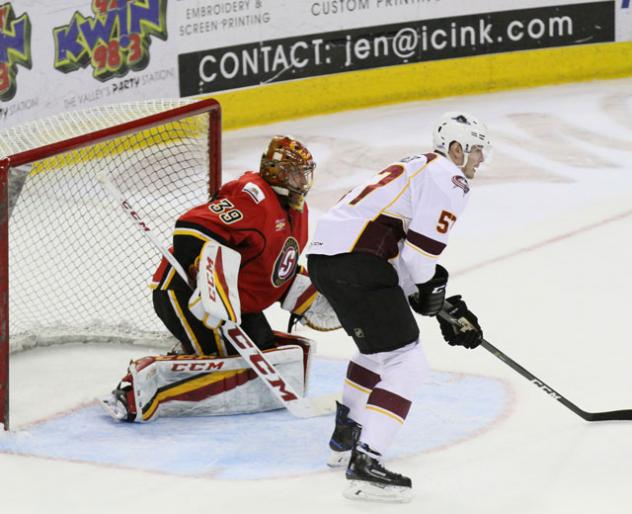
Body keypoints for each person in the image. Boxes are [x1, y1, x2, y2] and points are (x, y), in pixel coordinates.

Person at [306, 112, 491, 503]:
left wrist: (440, 304)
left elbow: (406, 261)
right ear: (455, 149)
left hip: (327, 260)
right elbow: (420, 260)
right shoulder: (449, 177)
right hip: (358, 262)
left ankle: (346, 438)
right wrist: (431, 297)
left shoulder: (417, 165)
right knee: (408, 362)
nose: (479, 159)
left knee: (377, 351)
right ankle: (366, 464)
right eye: (475, 150)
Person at [102, 135, 339, 422]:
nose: (302, 179)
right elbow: (189, 230)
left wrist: (307, 292)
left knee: (264, 354)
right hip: (185, 293)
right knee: (229, 363)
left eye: (305, 172)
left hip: (235, 305)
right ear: (275, 171)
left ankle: (189, 350)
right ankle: (133, 387)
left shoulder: (296, 209)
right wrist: (211, 285)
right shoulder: (252, 197)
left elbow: (273, 265)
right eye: (294, 172)